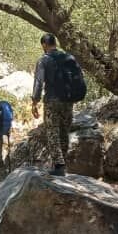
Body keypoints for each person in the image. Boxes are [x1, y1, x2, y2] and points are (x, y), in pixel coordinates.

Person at [31, 34, 83, 176]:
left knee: (52, 131)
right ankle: (62, 163)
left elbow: (38, 82)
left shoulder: (44, 60)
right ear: (55, 43)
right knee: (64, 131)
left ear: (44, 45)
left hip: (52, 100)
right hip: (68, 101)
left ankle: (59, 165)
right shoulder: (69, 58)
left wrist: (35, 102)